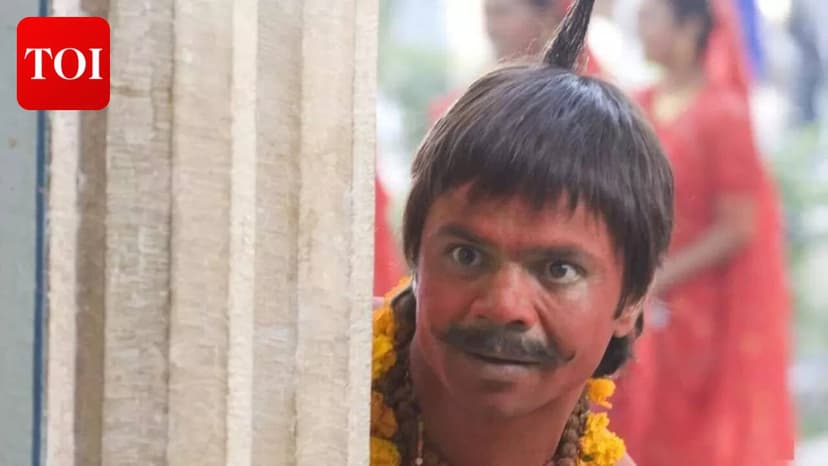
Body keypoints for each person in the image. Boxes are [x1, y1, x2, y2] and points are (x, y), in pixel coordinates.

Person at [370, 1, 674, 464]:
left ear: (631, 300)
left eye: (559, 270)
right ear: (416, 256)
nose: (504, 306)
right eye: (467, 256)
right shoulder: (306, 391)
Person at [609, 0, 796, 465]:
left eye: (652, 17)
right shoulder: (639, 105)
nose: (641, 28)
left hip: (701, 309)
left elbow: (738, 226)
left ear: (690, 27)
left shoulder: (723, 112)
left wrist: (661, 277)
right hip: (644, 301)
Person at [428, 0, 604, 124]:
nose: (492, 28)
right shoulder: (469, 100)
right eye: (487, 14)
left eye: (501, 13)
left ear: (544, 19)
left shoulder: (584, 100)